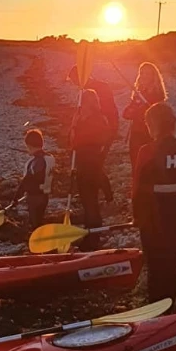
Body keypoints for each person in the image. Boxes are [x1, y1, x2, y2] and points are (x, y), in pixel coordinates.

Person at [132, 103, 176, 307]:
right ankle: (170, 301)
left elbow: (138, 188)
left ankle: (156, 306)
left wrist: (136, 216)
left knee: (155, 264)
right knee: (169, 261)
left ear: (153, 125)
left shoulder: (147, 150)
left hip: (152, 217)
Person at [68, 66, 117, 202]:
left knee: (96, 165)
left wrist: (109, 133)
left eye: (74, 80)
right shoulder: (82, 91)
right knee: (92, 166)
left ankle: (103, 193)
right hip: (90, 133)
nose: (74, 84)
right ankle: (97, 192)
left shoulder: (100, 88)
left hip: (99, 133)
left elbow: (110, 112)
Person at [70, 89, 111, 250]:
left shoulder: (96, 119)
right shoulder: (82, 117)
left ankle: (94, 237)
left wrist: (77, 128)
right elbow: (74, 141)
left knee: (90, 200)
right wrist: (75, 126)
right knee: (86, 200)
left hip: (91, 161)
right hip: (82, 160)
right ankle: (89, 232)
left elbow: (98, 138)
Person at [122, 62, 167, 169]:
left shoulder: (157, 95)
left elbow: (155, 115)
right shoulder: (138, 93)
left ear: (153, 76)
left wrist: (140, 108)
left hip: (150, 134)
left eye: (148, 74)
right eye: (142, 73)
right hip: (136, 133)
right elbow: (126, 114)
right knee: (136, 164)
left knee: (148, 165)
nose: (144, 76)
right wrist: (136, 108)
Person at [10, 129, 55, 230]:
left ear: (30, 146)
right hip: (44, 196)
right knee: (40, 220)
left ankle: (37, 241)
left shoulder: (35, 162)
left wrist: (16, 198)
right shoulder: (49, 158)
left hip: (34, 198)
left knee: (35, 224)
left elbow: (26, 181)